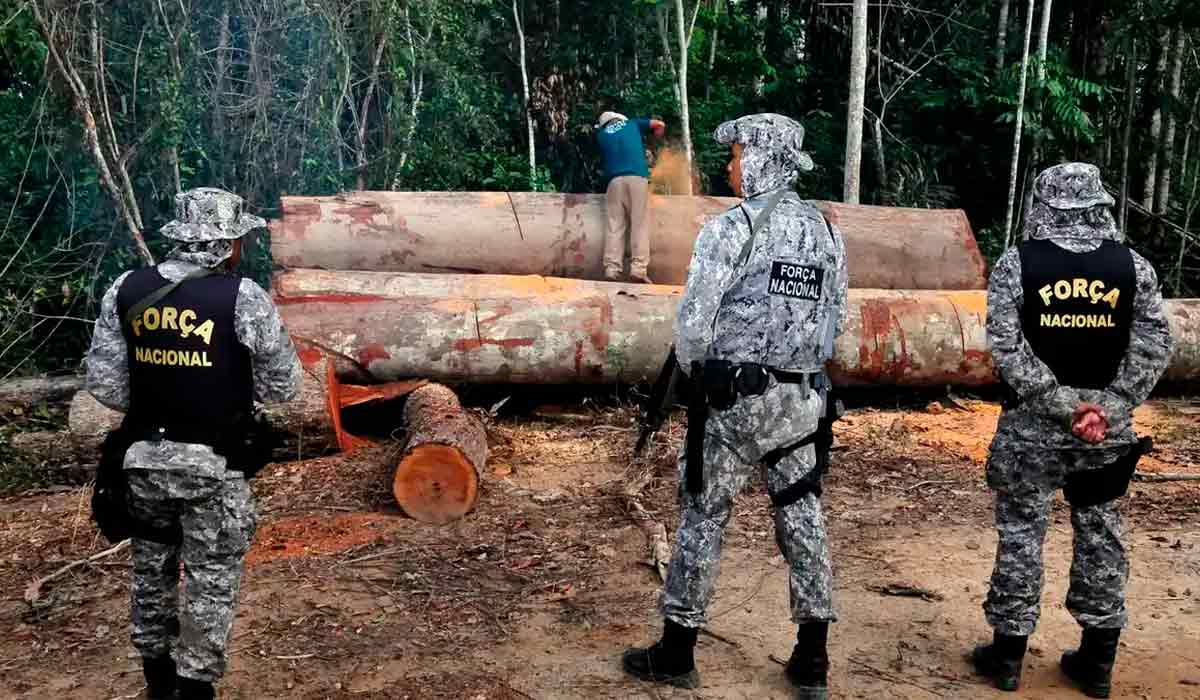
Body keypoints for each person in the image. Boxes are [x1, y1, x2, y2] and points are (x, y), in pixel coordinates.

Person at [621, 113, 848, 700]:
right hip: (801, 405)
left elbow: (693, 327)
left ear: (762, 158)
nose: (731, 166)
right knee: (802, 515)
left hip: (734, 407)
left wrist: (702, 372)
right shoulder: (827, 233)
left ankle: (677, 650)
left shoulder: (730, 228)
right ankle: (813, 656)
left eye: (738, 154)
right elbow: (836, 323)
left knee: (703, 515)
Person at [85, 187, 303, 700]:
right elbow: (283, 387)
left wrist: (162, 395)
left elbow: (105, 385)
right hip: (214, 468)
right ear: (227, 243)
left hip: (142, 465)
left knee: (151, 571)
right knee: (210, 580)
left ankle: (157, 682)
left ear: (183, 237)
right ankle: (195, 689)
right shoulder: (243, 296)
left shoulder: (126, 288)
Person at [971, 163, 1172, 697]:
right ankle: (1098, 660)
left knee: (1021, 533)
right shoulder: (1133, 267)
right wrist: (1110, 406)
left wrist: (1059, 403)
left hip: (1031, 429)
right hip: (1104, 434)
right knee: (1101, 532)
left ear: (1045, 204)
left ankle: (1008, 656)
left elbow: (1006, 347)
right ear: (1097, 203)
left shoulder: (1018, 263)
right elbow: (1155, 344)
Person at [594, 111, 665, 283]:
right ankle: (638, 269)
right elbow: (659, 124)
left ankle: (612, 269)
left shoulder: (601, 135)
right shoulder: (632, 123)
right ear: (620, 118)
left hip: (614, 182)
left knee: (614, 226)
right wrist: (655, 139)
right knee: (639, 224)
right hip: (636, 179)